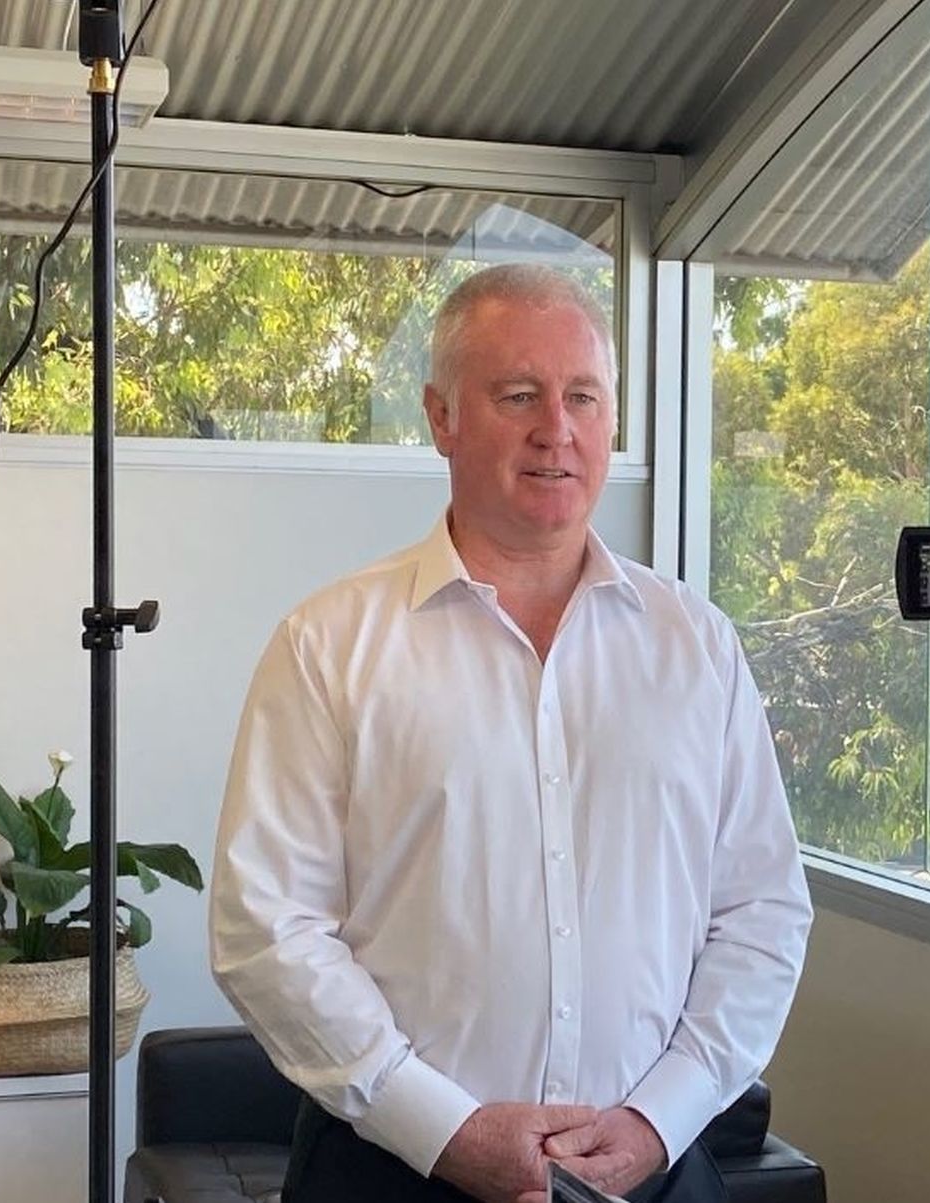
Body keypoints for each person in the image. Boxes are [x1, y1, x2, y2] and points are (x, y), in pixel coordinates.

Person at [210, 264, 813, 1203]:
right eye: (520, 394)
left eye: (584, 397)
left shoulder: (698, 646)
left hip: (650, 1169)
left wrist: (657, 1119)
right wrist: (443, 1128)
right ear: (441, 416)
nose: (556, 429)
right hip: (392, 1170)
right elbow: (267, 927)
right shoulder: (330, 645)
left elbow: (762, 910)